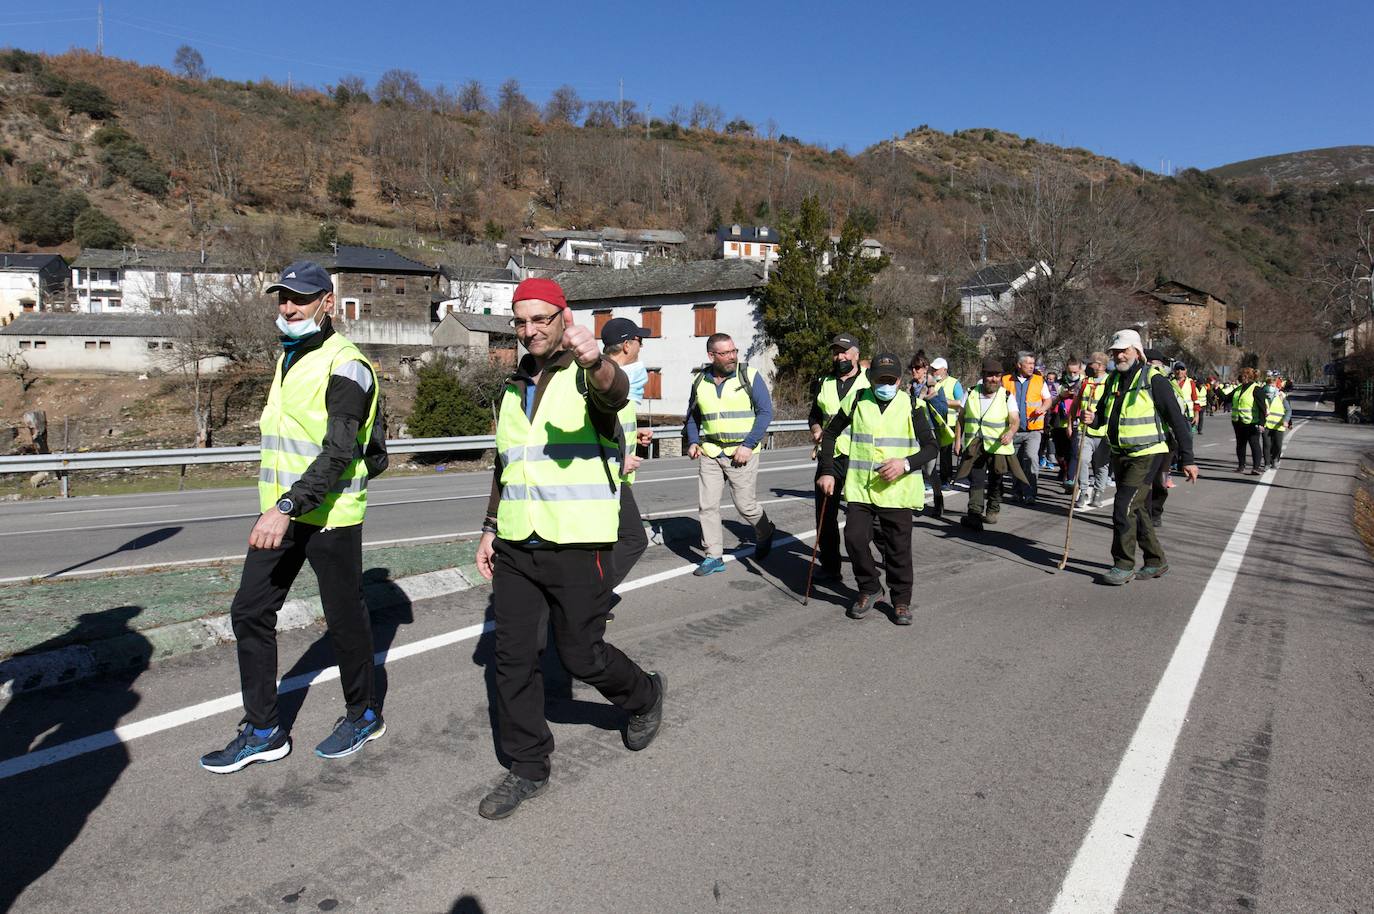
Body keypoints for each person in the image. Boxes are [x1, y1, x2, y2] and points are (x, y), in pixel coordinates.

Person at [473, 278, 664, 820]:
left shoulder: (586, 374)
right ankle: (528, 767)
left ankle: (644, 695)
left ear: (564, 316)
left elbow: (614, 393)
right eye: (520, 321)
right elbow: (507, 463)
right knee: (511, 660)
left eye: (540, 319)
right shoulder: (515, 385)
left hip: (578, 541)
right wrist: (490, 526)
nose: (529, 330)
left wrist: (595, 358)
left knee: (580, 654)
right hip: (516, 542)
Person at [200, 261, 384, 774]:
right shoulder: (290, 357)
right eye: (282, 298)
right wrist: (279, 505)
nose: (287, 307)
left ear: (328, 300)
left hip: (328, 513)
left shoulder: (346, 364)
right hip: (283, 511)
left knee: (345, 620)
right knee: (249, 611)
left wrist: (286, 506)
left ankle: (364, 713)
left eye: (299, 299)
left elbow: (339, 450)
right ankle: (263, 730)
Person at [817, 353, 938, 624]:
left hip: (897, 490)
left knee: (898, 549)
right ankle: (870, 588)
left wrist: (905, 464)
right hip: (861, 488)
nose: (886, 385)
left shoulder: (913, 405)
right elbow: (830, 433)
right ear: (871, 380)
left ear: (899, 379)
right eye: (880, 380)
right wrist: (827, 471)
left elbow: (931, 447)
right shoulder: (858, 399)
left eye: (891, 379)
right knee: (854, 538)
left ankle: (901, 600)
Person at [1084, 330, 1198, 585]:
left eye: (1124, 350)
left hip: (1148, 454)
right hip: (1121, 453)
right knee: (1139, 509)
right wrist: (1093, 420)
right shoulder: (1113, 380)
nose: (1119, 354)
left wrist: (1188, 459)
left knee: (1123, 506)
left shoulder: (1154, 379)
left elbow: (1177, 421)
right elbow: (1104, 415)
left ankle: (1123, 564)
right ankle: (1156, 560)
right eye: (1116, 351)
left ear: (1137, 351)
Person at [686, 332, 776, 575]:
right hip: (711, 451)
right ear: (711, 355)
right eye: (725, 353)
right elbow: (693, 416)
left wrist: (748, 445)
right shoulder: (699, 381)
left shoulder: (749, 375)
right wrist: (694, 441)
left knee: (745, 506)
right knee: (707, 506)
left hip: (742, 451)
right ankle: (713, 556)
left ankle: (765, 531)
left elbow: (765, 412)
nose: (732, 357)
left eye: (734, 351)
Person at [807, 333, 869, 581]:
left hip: (860, 457)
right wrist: (816, 429)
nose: (839, 356)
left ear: (856, 354)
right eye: (835, 352)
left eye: (844, 351)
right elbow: (814, 415)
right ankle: (831, 566)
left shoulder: (869, 382)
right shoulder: (825, 382)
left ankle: (872, 564)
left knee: (864, 519)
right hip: (830, 456)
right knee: (824, 516)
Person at [600, 317, 653, 591]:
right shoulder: (610, 381)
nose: (641, 347)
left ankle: (590, 601)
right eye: (639, 341)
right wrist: (620, 460)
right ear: (626, 344)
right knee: (634, 539)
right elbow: (596, 429)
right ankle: (593, 598)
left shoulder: (616, 378)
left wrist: (637, 437)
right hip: (610, 474)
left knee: (610, 540)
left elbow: (617, 427)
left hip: (615, 473)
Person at [957, 357, 1026, 531]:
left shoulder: (1006, 396)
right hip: (975, 444)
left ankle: (993, 509)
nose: (993, 379)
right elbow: (961, 418)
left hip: (998, 445)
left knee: (996, 478)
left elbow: (1015, 420)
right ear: (983, 375)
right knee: (976, 479)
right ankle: (974, 514)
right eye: (990, 375)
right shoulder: (971, 392)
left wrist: (1010, 433)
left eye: (997, 376)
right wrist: (957, 441)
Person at [907, 351, 952, 516]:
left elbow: (943, 409)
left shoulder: (935, 387)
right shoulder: (910, 387)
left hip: (931, 432)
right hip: (913, 433)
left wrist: (928, 398)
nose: (914, 371)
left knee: (930, 469)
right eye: (912, 368)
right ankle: (913, 501)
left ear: (925, 369)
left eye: (917, 368)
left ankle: (938, 498)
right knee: (912, 467)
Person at [1003, 353, 1051, 505]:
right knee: (1015, 462)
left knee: (1031, 458)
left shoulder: (1039, 380)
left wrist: (1042, 408)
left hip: (1033, 430)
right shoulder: (1006, 380)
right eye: (1028, 363)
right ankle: (1017, 492)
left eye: (1033, 363)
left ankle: (1030, 493)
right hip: (1013, 429)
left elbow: (1048, 400)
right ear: (1019, 365)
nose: (1032, 366)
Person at [1072, 352, 1112, 509]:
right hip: (1084, 431)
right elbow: (1076, 403)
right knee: (1082, 460)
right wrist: (1071, 423)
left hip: (1103, 432)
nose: (1088, 366)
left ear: (1100, 366)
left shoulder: (1110, 382)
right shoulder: (1085, 382)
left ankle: (1098, 492)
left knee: (1101, 465)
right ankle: (1083, 491)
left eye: (1091, 363)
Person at [1049, 358, 1085, 492]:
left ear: (1080, 369)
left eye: (1075, 372)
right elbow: (1050, 403)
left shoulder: (1084, 383)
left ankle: (1070, 479)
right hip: (1059, 422)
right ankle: (1065, 472)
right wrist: (1060, 396)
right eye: (1070, 372)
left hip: (1075, 421)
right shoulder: (1059, 383)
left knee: (1074, 452)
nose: (1073, 374)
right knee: (1060, 455)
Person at [930, 357, 965, 490]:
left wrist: (943, 401)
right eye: (933, 369)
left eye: (937, 369)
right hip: (933, 422)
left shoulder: (954, 383)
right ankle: (931, 478)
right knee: (931, 451)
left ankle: (946, 479)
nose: (934, 371)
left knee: (945, 454)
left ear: (944, 369)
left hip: (949, 423)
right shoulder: (931, 382)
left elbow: (960, 402)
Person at [1230, 366, 1266, 474]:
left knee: (1254, 444)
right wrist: (1216, 391)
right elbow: (1227, 397)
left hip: (1252, 422)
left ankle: (1256, 467)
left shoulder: (1256, 389)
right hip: (1238, 421)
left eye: (1243, 375)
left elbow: (1262, 408)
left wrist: (1261, 423)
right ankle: (1241, 466)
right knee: (1240, 444)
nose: (1241, 377)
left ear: (1248, 377)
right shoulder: (1239, 388)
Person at [1262, 372, 1292, 469]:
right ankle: (1267, 463)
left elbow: (1288, 410)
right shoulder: (1262, 395)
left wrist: (1286, 420)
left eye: (1272, 385)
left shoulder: (1281, 396)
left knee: (1278, 445)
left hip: (1279, 425)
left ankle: (1275, 459)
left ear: (1276, 386)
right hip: (1266, 425)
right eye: (1269, 385)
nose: (1270, 387)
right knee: (1267, 445)